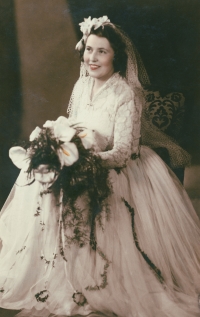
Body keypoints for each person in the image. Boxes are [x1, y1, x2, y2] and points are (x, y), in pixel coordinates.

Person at [0, 15, 200, 317]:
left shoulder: (126, 94)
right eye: (89, 50)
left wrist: (81, 160)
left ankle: (91, 281)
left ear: (115, 56)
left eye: (101, 51)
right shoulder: (82, 85)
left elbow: (123, 153)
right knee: (38, 178)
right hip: (82, 158)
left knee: (83, 188)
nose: (92, 58)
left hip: (118, 168)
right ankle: (50, 270)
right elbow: (75, 127)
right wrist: (60, 148)